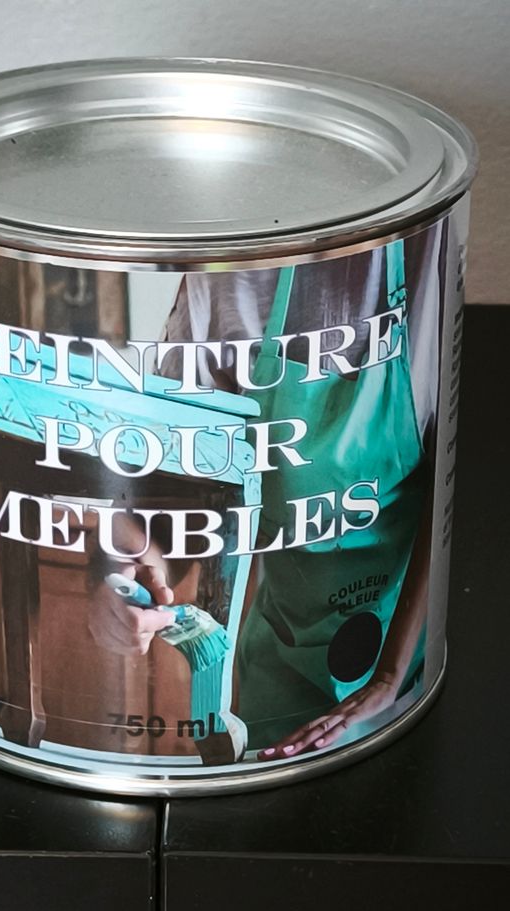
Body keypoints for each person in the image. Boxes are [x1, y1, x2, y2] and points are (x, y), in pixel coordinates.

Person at [89, 223, 445, 759]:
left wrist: (389, 678)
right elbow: (165, 504)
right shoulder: (221, 273)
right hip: (279, 660)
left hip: (410, 660)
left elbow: (448, 489)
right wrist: (127, 580)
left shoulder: (418, 240)